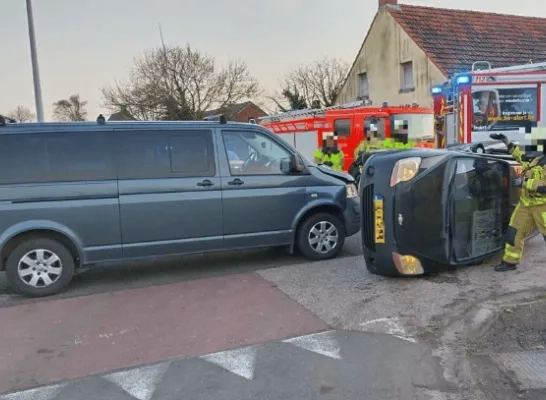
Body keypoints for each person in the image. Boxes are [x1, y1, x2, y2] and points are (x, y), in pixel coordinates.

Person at [489, 130, 546, 271]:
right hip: (526, 205)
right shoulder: (535, 159)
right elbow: (518, 154)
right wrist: (505, 141)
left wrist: (525, 182)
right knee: (513, 232)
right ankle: (510, 261)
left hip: (543, 207)